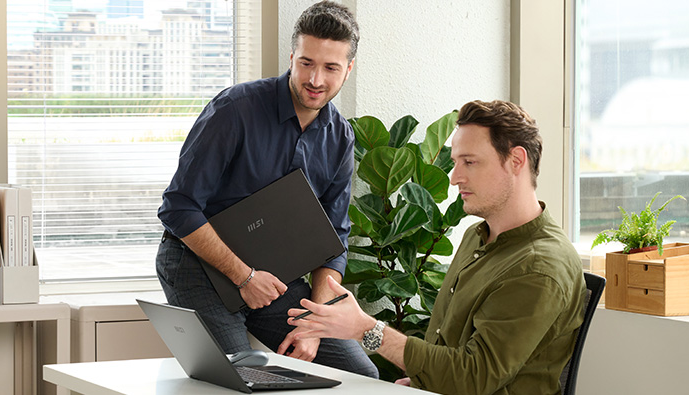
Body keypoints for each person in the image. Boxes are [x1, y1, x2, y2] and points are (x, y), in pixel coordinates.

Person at [286, 100, 587, 394]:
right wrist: (423, 382)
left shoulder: (539, 267)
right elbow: (447, 346)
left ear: (516, 161)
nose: (455, 177)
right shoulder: (477, 236)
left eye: (470, 162)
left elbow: (473, 378)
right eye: (455, 162)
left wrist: (367, 329)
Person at [155, 1, 377, 378]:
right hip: (196, 268)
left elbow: (333, 239)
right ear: (292, 56)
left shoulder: (341, 138)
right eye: (306, 63)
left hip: (275, 280)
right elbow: (179, 208)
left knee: (360, 376)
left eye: (331, 68)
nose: (316, 79)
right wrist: (244, 277)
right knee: (242, 377)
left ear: (349, 70)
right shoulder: (234, 109)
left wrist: (314, 320)